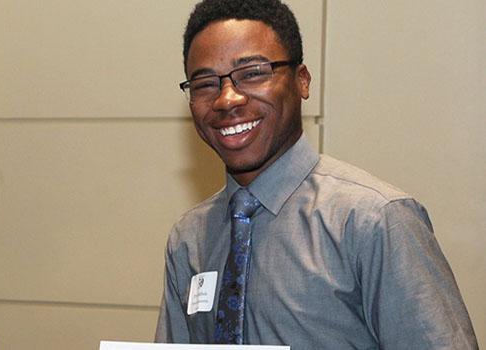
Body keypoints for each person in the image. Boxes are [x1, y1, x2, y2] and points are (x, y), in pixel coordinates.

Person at [155, 0, 477, 348]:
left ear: (302, 81)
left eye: (252, 74)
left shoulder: (373, 221)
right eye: (205, 84)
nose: (227, 99)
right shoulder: (188, 239)